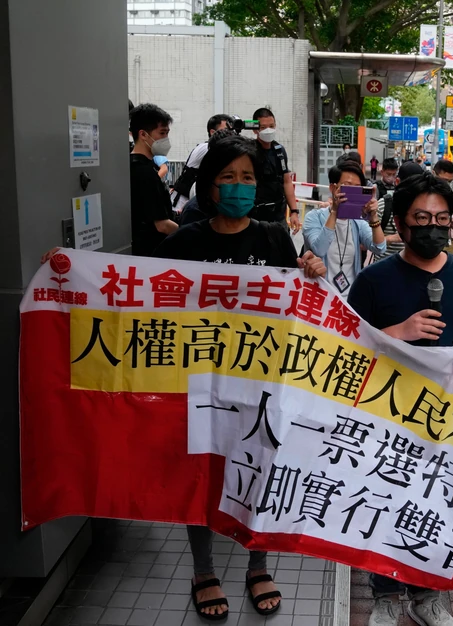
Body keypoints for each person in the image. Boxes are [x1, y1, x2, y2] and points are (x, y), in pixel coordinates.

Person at [153, 134, 326, 621]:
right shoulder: (186, 240)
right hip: (202, 382)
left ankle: (257, 562)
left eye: (247, 178)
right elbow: (134, 287)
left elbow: (295, 298)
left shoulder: (273, 235)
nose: (238, 186)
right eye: (227, 178)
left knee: (258, 468)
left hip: (262, 381)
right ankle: (203, 570)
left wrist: (309, 268)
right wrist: (65, 272)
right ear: (209, 188)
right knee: (203, 474)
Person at [348, 172, 453, 626]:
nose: (432, 227)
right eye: (421, 218)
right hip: (388, 412)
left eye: (441, 219)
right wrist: (396, 334)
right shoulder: (373, 281)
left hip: (451, 416)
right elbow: (346, 348)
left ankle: (429, 595)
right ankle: (386, 593)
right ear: (402, 226)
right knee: (386, 501)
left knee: (438, 504)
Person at [302, 161, 386, 293]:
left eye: (357, 188)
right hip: (321, 295)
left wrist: (373, 217)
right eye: (347, 187)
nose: (352, 192)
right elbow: (319, 249)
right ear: (333, 188)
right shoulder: (314, 217)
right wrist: (335, 211)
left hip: (350, 298)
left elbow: (379, 248)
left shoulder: (358, 221)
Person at [129, 103, 178, 257]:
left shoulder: (145, 166)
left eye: (167, 133)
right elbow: (162, 225)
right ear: (143, 134)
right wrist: (188, 234)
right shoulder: (142, 171)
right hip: (149, 252)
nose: (166, 139)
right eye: (162, 133)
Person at [171, 113, 234, 211]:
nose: (230, 134)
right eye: (226, 130)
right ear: (213, 132)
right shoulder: (207, 148)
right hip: (182, 203)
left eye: (231, 130)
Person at [250, 108, 299, 231]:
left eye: (271, 126)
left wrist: (294, 211)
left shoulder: (279, 151)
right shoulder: (249, 151)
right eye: (263, 127)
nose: (268, 130)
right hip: (255, 216)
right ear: (255, 129)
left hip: (278, 216)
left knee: (283, 248)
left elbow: (286, 182)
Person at [374, 161, 424, 262]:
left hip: (416, 268)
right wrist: (391, 238)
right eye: (409, 185)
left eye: (418, 185)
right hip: (385, 268)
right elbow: (367, 243)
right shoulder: (383, 205)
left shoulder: (426, 208)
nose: (413, 190)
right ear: (397, 182)